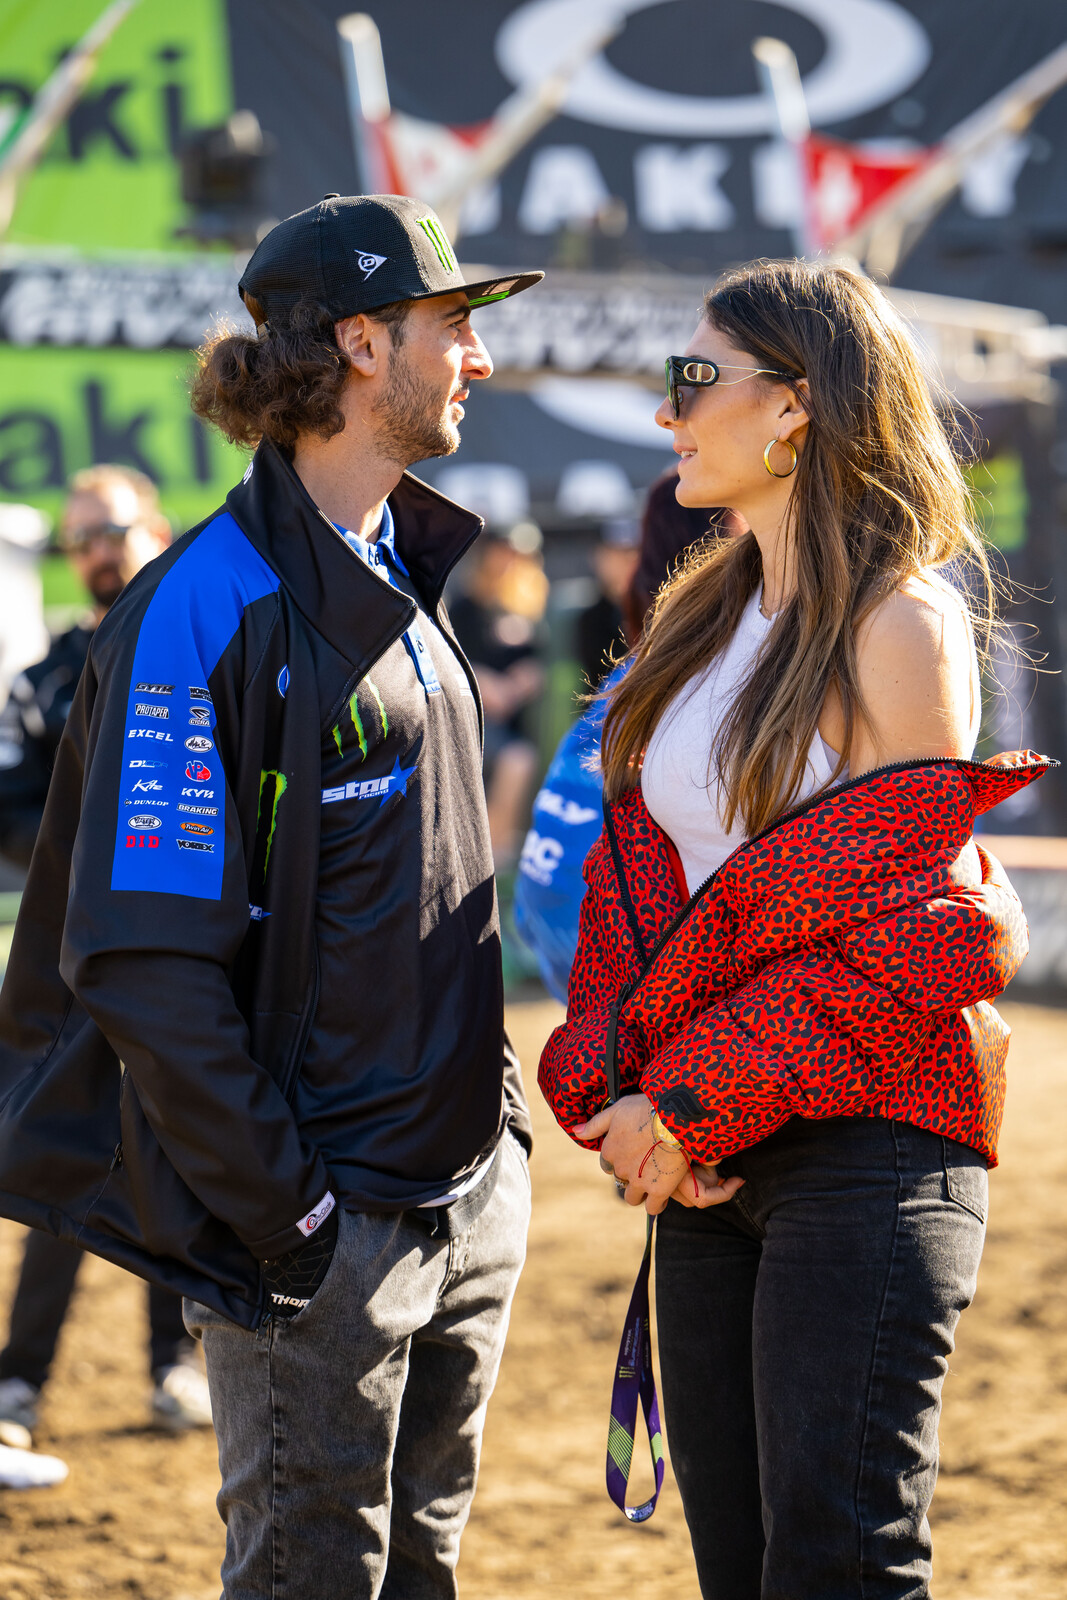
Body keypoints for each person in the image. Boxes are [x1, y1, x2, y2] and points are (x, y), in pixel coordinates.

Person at [0, 194, 541, 1597]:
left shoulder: (395, 563)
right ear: (361, 344)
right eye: (451, 326)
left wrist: (495, 1140)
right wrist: (292, 1221)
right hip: (326, 1239)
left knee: (417, 1573)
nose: (475, 358)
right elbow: (138, 961)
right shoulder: (198, 606)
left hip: (464, 1200)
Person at [538, 260, 1052, 1599]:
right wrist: (620, 1088)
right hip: (710, 1165)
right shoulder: (692, 620)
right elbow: (630, 898)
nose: (668, 414)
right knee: (739, 1568)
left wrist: (689, 1100)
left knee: (833, 1568)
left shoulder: (897, 621)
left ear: (797, 407)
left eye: (691, 379)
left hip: (871, 1151)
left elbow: (918, 936)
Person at [0, 466, 213, 1442]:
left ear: (157, 531)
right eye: (77, 537)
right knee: (63, 1153)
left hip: (193, 961)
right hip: (81, 961)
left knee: (179, 1154)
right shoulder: (43, 681)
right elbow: (12, 821)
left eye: (109, 530)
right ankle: (20, 1382)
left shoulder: (214, 652)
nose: (92, 550)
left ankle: (174, 1366)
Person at [449, 524, 547, 869]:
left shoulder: (524, 611)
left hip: (512, 723)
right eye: (503, 553)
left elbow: (535, 667)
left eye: (517, 556)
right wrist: (483, 681)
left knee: (520, 758)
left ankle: (493, 860)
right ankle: (485, 860)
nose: (508, 562)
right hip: (472, 720)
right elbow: (452, 659)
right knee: (516, 760)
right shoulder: (463, 607)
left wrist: (526, 679)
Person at [574, 517, 640, 689]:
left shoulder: (654, 610)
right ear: (598, 557)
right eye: (615, 554)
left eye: (630, 553)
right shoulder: (591, 620)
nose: (625, 562)